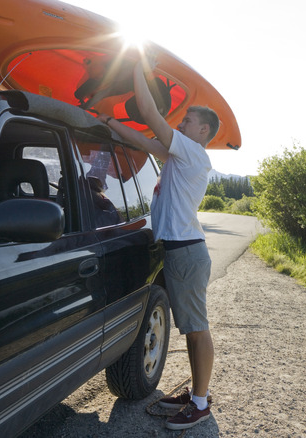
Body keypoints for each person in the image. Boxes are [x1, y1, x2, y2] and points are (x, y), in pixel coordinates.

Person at [98, 55, 218, 430]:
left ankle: (199, 403)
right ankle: (197, 395)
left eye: (187, 123)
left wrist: (136, 63)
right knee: (192, 327)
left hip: (186, 252)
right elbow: (148, 141)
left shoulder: (194, 153)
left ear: (202, 132)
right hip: (181, 251)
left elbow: (151, 117)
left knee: (196, 329)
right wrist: (112, 126)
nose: (180, 126)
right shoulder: (179, 158)